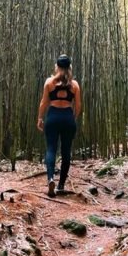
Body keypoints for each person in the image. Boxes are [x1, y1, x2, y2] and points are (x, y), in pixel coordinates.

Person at [37, 54, 82, 196]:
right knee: (66, 151)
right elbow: (78, 106)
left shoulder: (49, 82)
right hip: (67, 117)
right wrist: (72, 118)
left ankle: (50, 178)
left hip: (53, 117)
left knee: (51, 149)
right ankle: (61, 184)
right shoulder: (74, 85)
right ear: (70, 68)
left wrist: (40, 118)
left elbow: (44, 103)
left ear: (57, 66)